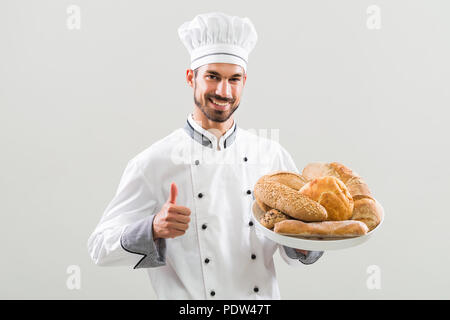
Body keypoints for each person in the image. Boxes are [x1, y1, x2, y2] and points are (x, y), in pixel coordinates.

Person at [87, 11, 323, 300]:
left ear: (244, 81)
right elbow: (99, 247)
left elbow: (301, 247)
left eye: (234, 79)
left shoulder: (272, 157)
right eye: (213, 76)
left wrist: (307, 241)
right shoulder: (154, 162)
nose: (223, 91)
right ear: (191, 78)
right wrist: (152, 228)